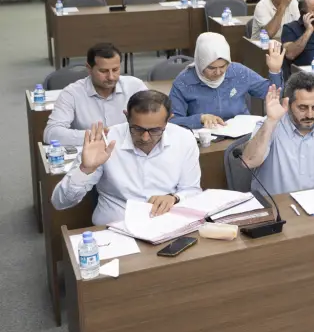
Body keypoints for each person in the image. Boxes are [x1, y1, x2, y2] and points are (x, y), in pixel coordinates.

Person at [51, 91, 201, 226]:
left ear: (168, 120)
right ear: (126, 116)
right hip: (115, 226)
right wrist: (84, 170)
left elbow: (192, 190)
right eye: (137, 129)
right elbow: (59, 202)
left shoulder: (184, 139)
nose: (145, 138)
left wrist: (175, 198)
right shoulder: (105, 141)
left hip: (166, 224)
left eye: (155, 130)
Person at [241, 74, 314, 195]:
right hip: (275, 203)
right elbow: (249, 162)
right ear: (288, 103)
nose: (310, 115)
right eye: (302, 108)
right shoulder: (269, 123)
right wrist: (270, 121)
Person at [169, 33, 285, 128]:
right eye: (211, 68)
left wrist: (275, 71)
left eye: (223, 66)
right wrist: (200, 119)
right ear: (200, 63)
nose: (218, 72)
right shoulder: (183, 82)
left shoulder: (237, 71)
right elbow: (172, 121)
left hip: (242, 134)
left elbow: (272, 94)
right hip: (206, 139)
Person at [44, 43, 149, 147]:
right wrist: (96, 136)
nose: (111, 77)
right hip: (91, 152)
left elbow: (155, 120)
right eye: (103, 71)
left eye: (115, 70)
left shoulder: (135, 87)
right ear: (89, 69)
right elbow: (51, 133)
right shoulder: (72, 93)